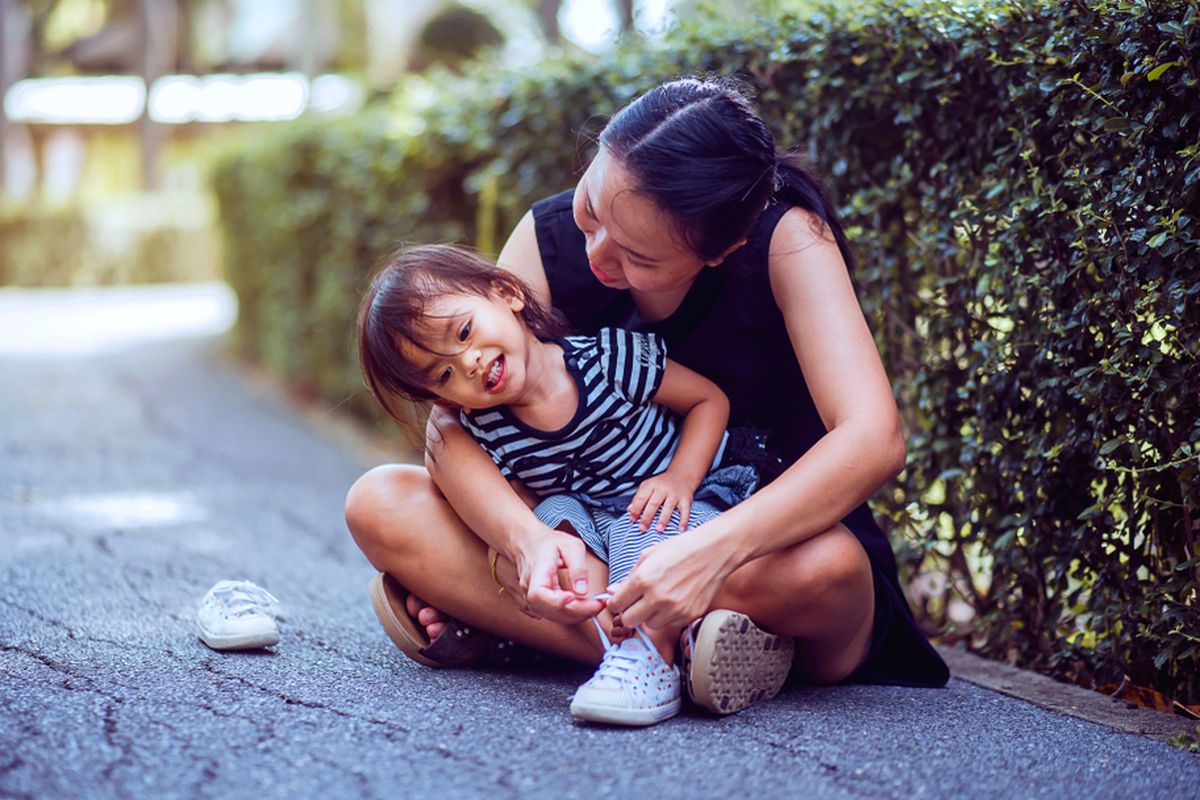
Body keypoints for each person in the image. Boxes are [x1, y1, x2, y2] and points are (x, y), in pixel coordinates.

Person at [345, 76, 948, 721]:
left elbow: (873, 438)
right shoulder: (544, 243)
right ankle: (676, 651)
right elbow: (454, 432)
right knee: (382, 503)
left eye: (637, 257)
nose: (597, 255)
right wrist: (525, 542)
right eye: (592, 208)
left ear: (722, 252)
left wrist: (705, 555)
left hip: (761, 544)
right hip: (610, 539)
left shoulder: (788, 239)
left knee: (826, 569)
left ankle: (536, 635)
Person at [356, 243, 785, 725]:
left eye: (464, 332)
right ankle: (684, 643)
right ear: (441, 397)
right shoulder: (488, 429)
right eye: (445, 373)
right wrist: (524, 558)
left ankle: (649, 659)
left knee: (643, 532)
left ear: (507, 293)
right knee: (554, 522)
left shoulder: (607, 360)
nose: (470, 362)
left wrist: (680, 477)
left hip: (675, 500)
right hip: (600, 517)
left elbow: (708, 401)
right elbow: (514, 500)